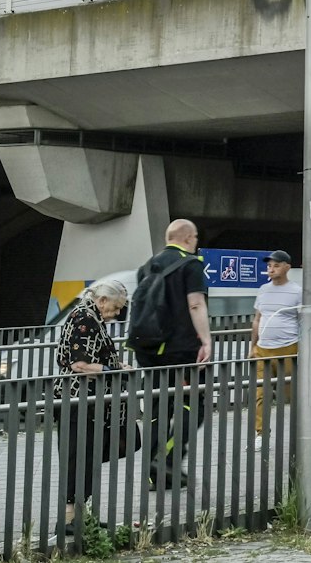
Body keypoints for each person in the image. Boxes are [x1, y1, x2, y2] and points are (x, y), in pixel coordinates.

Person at [129, 219, 212, 490]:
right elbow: (196, 304)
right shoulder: (191, 264)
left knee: (156, 407)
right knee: (194, 404)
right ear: (188, 238)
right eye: (196, 237)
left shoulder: (147, 267)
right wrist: (206, 340)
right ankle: (166, 460)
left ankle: (155, 475)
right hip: (179, 349)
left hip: (147, 348)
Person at [54, 279, 128, 532]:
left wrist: (118, 367)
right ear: (103, 300)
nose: (117, 313)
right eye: (116, 308)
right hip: (77, 397)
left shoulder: (92, 317)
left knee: (89, 454)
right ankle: (67, 520)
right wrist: (112, 369)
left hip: (91, 399)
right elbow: (80, 364)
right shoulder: (84, 318)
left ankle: (80, 517)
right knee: (77, 456)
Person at [250, 250, 302, 449]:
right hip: (263, 349)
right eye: (269, 265)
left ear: (287, 267)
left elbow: (304, 320)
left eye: (276, 265)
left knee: (293, 393)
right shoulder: (263, 289)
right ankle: (261, 434)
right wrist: (252, 346)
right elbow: (257, 319)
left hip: (288, 348)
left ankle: (302, 431)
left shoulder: (297, 292)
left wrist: (303, 348)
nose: (271, 269)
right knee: (260, 394)